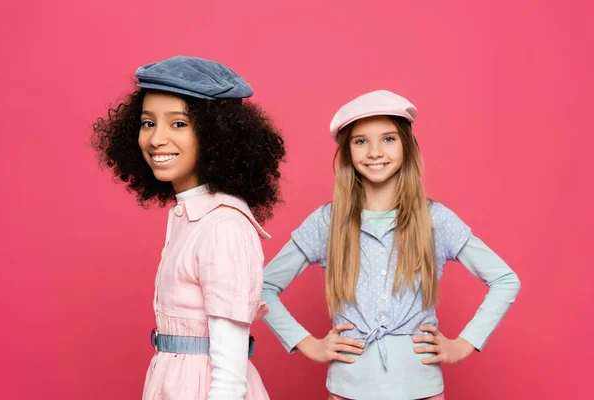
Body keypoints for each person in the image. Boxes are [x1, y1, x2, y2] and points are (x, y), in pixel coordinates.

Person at [261, 90, 521, 399]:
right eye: (360, 141)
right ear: (347, 152)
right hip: (348, 389)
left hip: (421, 389)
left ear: (407, 146)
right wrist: (306, 342)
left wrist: (464, 344)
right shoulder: (327, 222)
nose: (374, 152)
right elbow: (263, 286)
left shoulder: (435, 219)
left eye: (388, 139)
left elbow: (505, 279)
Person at [92, 55, 285, 399]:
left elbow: (229, 374)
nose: (156, 139)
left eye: (178, 124)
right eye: (148, 123)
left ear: (216, 136)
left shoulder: (223, 226)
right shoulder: (191, 217)